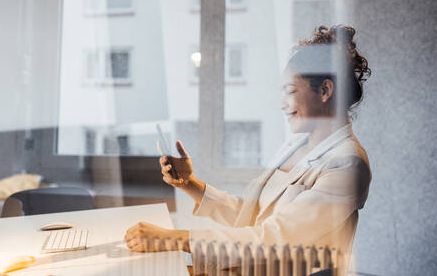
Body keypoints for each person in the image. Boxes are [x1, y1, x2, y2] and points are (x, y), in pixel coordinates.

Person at [124, 25, 372, 272]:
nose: (282, 104)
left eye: (290, 91)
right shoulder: (296, 145)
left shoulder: (348, 164)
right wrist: (190, 184)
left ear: (325, 90)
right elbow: (253, 214)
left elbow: (273, 238)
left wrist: (173, 239)